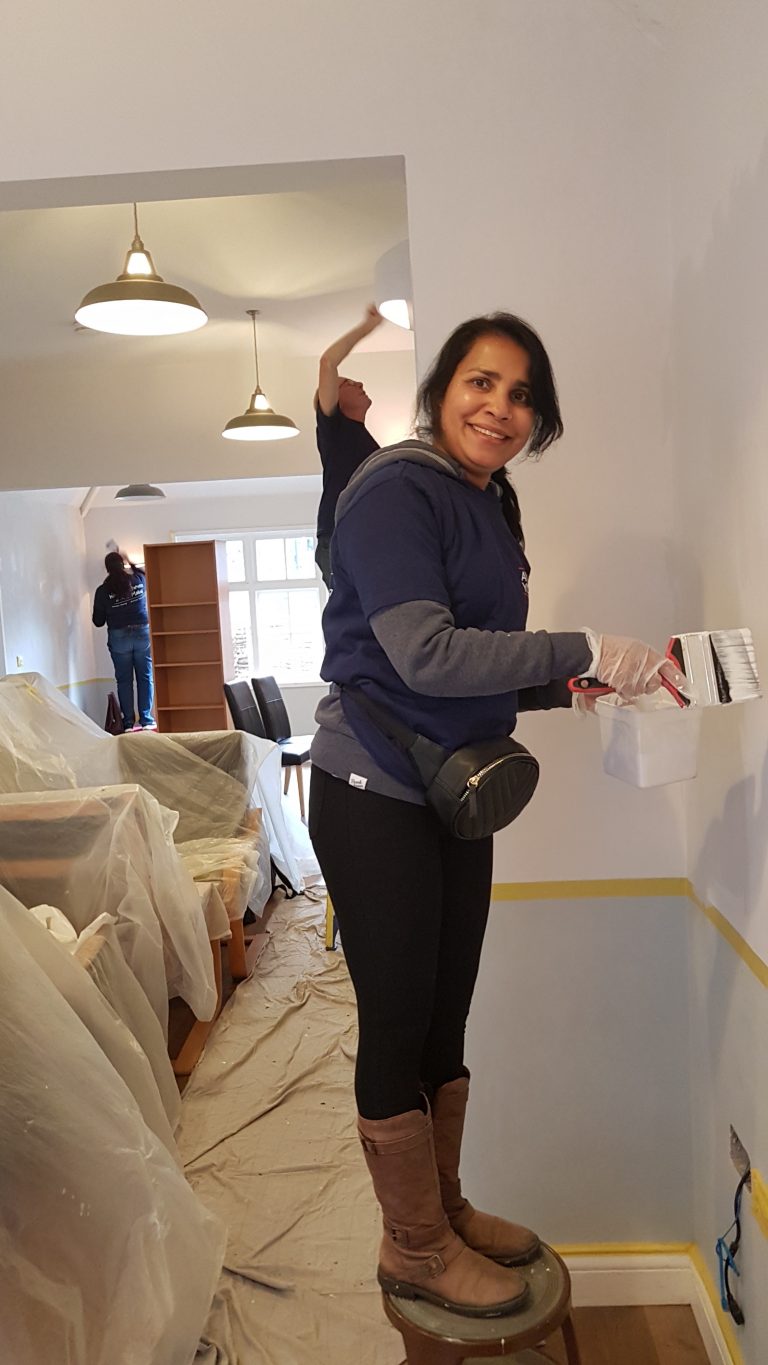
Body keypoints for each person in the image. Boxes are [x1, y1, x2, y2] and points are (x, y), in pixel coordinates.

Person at [308, 313, 688, 1319]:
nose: (501, 408)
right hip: (372, 792)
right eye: (482, 383)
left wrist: (572, 686)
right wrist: (584, 645)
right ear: (441, 390)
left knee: (447, 1018)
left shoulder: (487, 501)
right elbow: (425, 655)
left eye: (522, 395)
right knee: (397, 1022)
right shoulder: (394, 490)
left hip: (450, 793)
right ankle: (413, 1249)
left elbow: (476, 670)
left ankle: (443, 1211)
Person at [314, 304, 384, 588]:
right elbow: (328, 362)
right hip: (340, 535)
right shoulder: (334, 431)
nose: (359, 383)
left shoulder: (365, 440)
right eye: (347, 383)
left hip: (359, 535)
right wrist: (367, 327)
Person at [92, 549, 155, 732]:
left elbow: (98, 622)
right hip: (142, 633)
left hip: (119, 637)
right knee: (145, 677)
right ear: (123, 565)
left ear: (107, 569)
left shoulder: (102, 591)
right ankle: (146, 720)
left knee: (124, 680)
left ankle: (128, 723)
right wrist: (131, 563)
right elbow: (145, 575)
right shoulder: (138, 580)